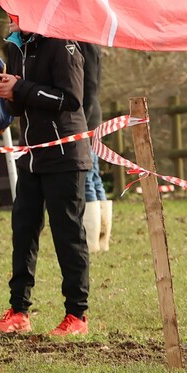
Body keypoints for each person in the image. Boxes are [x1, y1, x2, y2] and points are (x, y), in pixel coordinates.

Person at [0, 30, 92, 336]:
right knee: (23, 232)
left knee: (68, 235)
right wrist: (9, 94)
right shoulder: (15, 46)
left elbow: (70, 98)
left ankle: (77, 315)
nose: (10, 19)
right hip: (31, 156)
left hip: (65, 155)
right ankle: (18, 311)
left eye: (15, 12)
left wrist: (21, 87)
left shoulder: (62, 43)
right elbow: (19, 108)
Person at [78, 41, 113, 253]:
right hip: (89, 117)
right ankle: (100, 239)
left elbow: (90, 86)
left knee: (88, 178)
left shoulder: (86, 43)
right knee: (94, 176)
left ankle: (93, 240)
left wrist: (82, 122)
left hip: (87, 119)